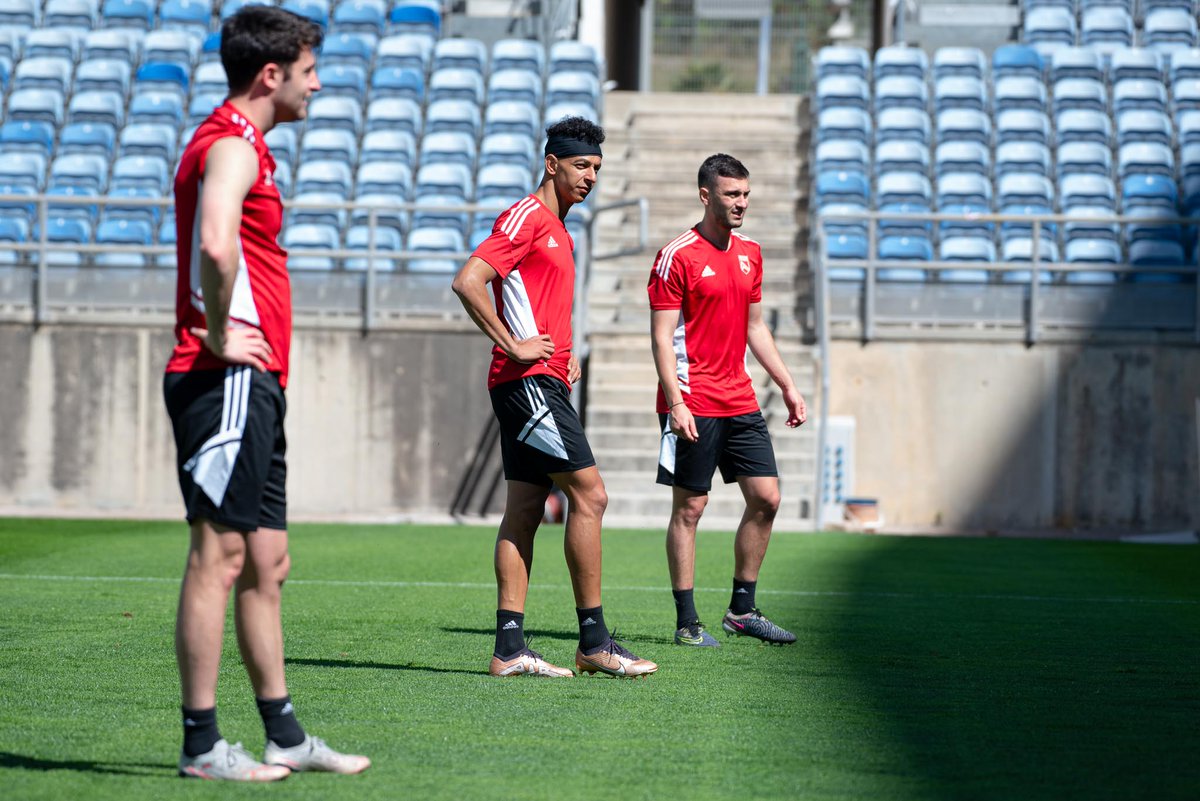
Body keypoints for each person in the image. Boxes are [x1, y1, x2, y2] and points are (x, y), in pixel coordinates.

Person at [163, 6, 369, 780]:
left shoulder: (248, 145)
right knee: (218, 554)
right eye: (310, 71)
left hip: (256, 383)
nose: (318, 85)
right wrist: (219, 334)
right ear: (270, 75)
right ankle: (200, 743)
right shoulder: (230, 143)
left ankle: (283, 733)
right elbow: (216, 239)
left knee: (267, 561)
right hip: (224, 378)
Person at [451, 117, 658, 679]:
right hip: (526, 384)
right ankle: (593, 640)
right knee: (590, 497)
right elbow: (469, 280)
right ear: (552, 164)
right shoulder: (527, 216)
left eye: (597, 168)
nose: (591, 178)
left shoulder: (562, 229)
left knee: (523, 510)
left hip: (543, 380)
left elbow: (534, 300)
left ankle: (509, 649)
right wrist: (515, 345)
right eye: (581, 166)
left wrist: (563, 355)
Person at [647, 153, 808, 648]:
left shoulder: (751, 252)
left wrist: (786, 383)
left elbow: (755, 326)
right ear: (705, 196)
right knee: (690, 509)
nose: (741, 203)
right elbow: (660, 336)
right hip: (692, 400)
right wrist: (676, 403)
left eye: (745, 194)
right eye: (731, 194)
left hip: (739, 399)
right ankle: (686, 622)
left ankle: (742, 610)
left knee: (767, 498)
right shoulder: (677, 255)